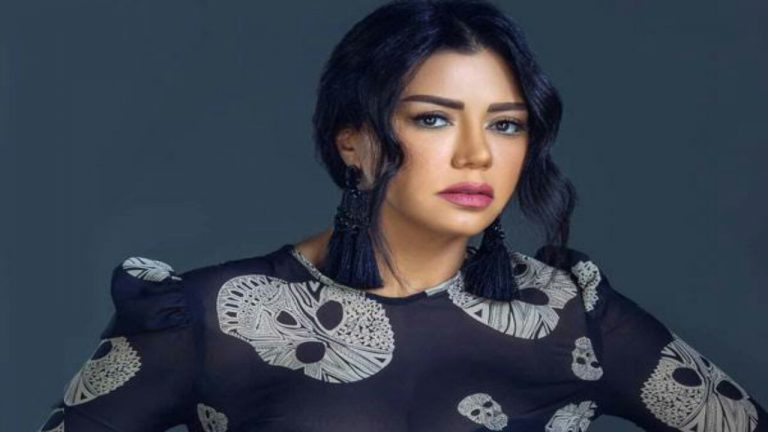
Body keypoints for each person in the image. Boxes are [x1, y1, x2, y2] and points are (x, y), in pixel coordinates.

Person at [39, 0, 766, 431]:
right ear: (353, 142)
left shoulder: (574, 314)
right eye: (434, 119)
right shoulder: (206, 316)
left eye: (506, 125)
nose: (477, 154)